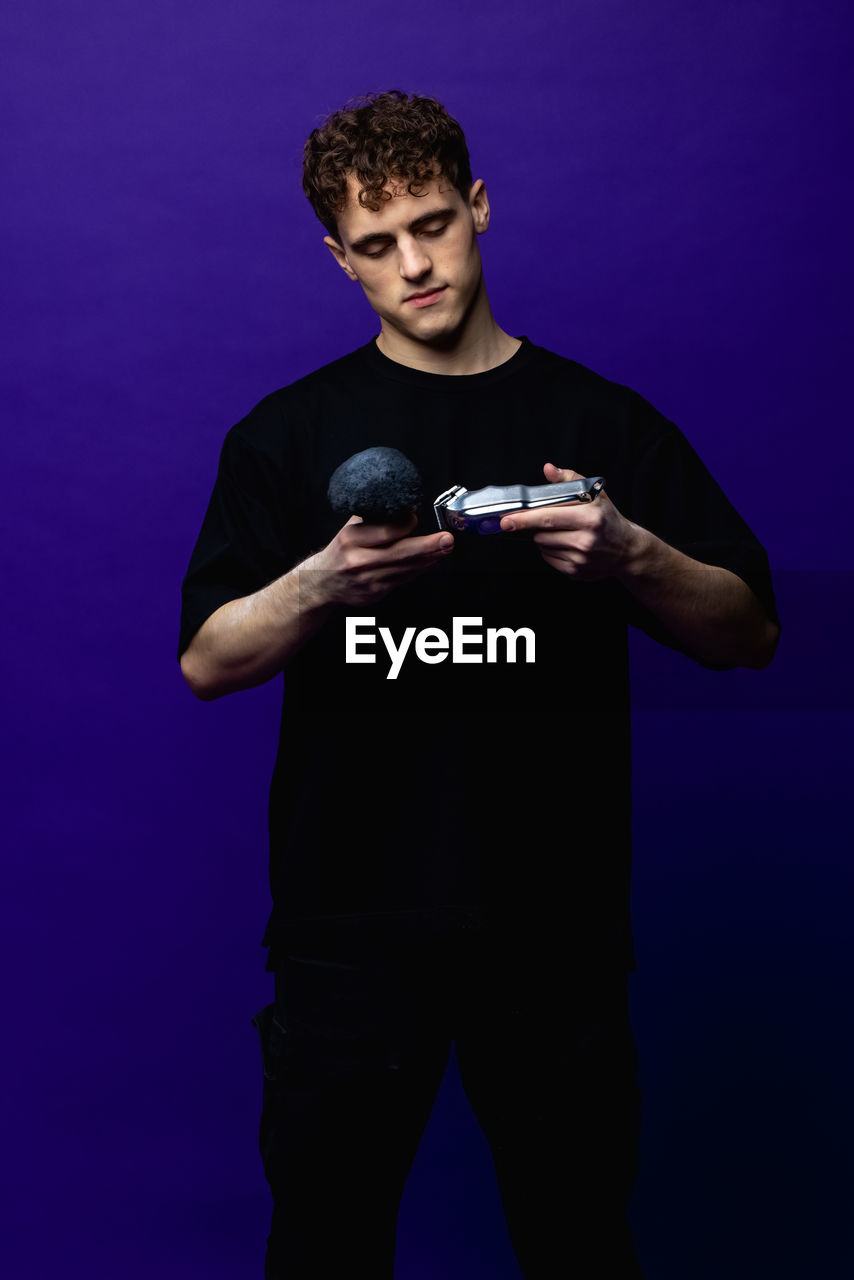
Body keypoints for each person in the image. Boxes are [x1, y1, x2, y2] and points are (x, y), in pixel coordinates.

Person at [178, 90, 779, 1278]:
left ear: (480, 208)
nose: (413, 264)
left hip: (549, 927)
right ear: (338, 259)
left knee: (576, 1245)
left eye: (434, 225)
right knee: (323, 1248)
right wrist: (320, 582)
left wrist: (630, 554)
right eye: (376, 244)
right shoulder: (284, 437)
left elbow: (747, 632)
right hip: (347, 927)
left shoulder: (598, 420)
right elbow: (208, 660)